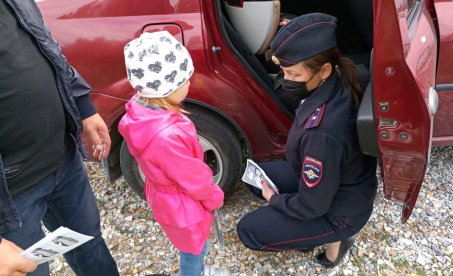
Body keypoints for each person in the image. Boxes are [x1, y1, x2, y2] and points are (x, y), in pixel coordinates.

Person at [236, 13, 378, 268]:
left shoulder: (322, 133)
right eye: (284, 71)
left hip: (340, 213)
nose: (286, 79)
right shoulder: (335, 77)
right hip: (341, 184)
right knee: (256, 177)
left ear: (323, 70)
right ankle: (305, 233)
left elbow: (312, 205)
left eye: (292, 74)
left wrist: (274, 200)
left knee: (248, 230)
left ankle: (333, 241)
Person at [0, 0, 119, 275]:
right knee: (31, 270)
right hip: (11, 195)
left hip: (63, 159)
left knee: (90, 244)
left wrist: (82, 105)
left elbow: (45, 44)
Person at [118, 31, 230, 276]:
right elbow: (193, 178)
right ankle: (194, 272)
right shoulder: (167, 137)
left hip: (167, 198)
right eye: (184, 81)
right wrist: (213, 196)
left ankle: (197, 269)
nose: (190, 84)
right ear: (165, 89)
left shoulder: (140, 112)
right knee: (194, 248)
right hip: (183, 204)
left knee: (191, 244)